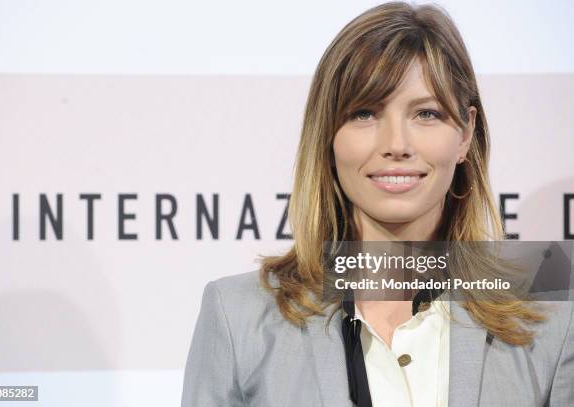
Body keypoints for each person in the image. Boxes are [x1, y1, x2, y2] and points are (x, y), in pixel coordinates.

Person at [181, 2, 574, 406]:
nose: (396, 145)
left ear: (465, 133)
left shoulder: (552, 314)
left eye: (426, 113)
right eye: (365, 113)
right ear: (328, 137)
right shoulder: (238, 316)